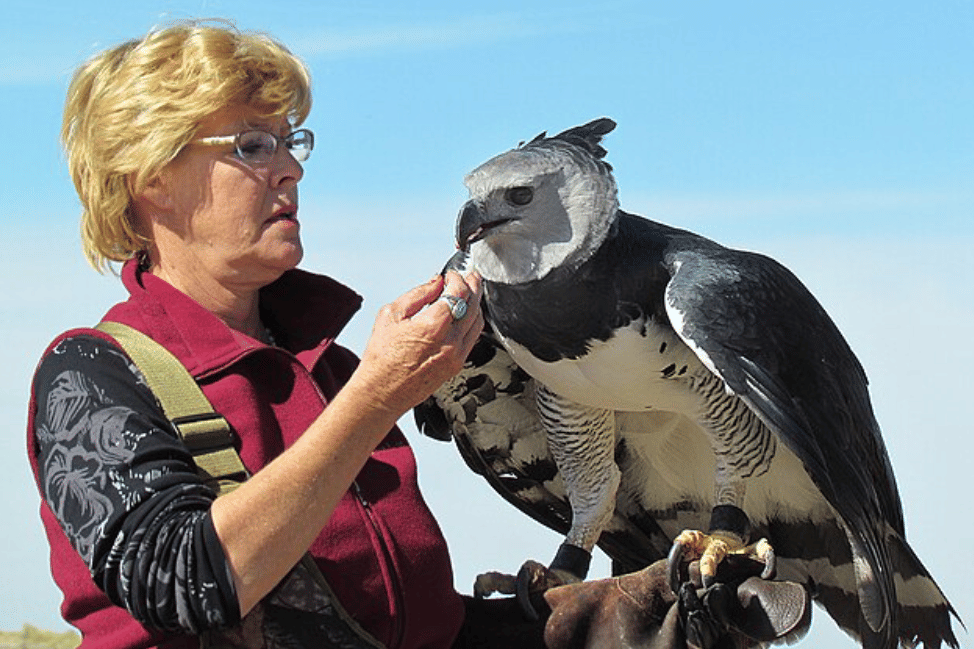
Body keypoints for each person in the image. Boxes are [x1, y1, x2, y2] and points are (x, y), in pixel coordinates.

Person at [27, 20, 809, 649]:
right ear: (150, 178)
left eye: (291, 141)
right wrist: (376, 395)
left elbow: (411, 627)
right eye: (250, 147)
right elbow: (182, 580)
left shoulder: (326, 370)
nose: (289, 170)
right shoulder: (91, 373)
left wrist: (607, 623)